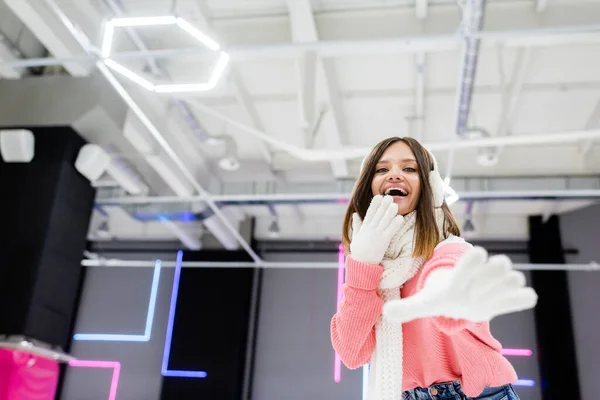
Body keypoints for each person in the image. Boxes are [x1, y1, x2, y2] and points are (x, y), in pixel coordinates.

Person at [330, 137, 538, 400]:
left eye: (409, 169)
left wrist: (448, 292)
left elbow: (447, 269)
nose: (394, 175)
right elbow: (351, 352)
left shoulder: (449, 249)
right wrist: (362, 265)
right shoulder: (370, 268)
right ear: (368, 187)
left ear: (430, 187)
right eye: (382, 169)